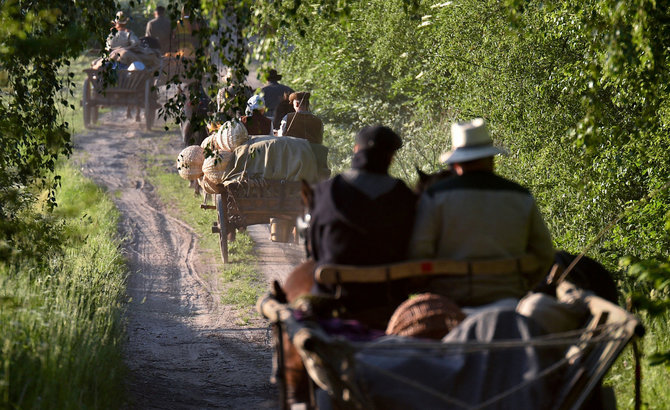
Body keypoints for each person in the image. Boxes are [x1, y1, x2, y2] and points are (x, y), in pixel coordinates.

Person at [409, 118, 554, 307]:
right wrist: (525, 285)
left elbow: (419, 254)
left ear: (456, 164)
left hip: (450, 301)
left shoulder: (435, 197)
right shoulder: (521, 196)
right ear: (491, 159)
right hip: (509, 297)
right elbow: (544, 254)